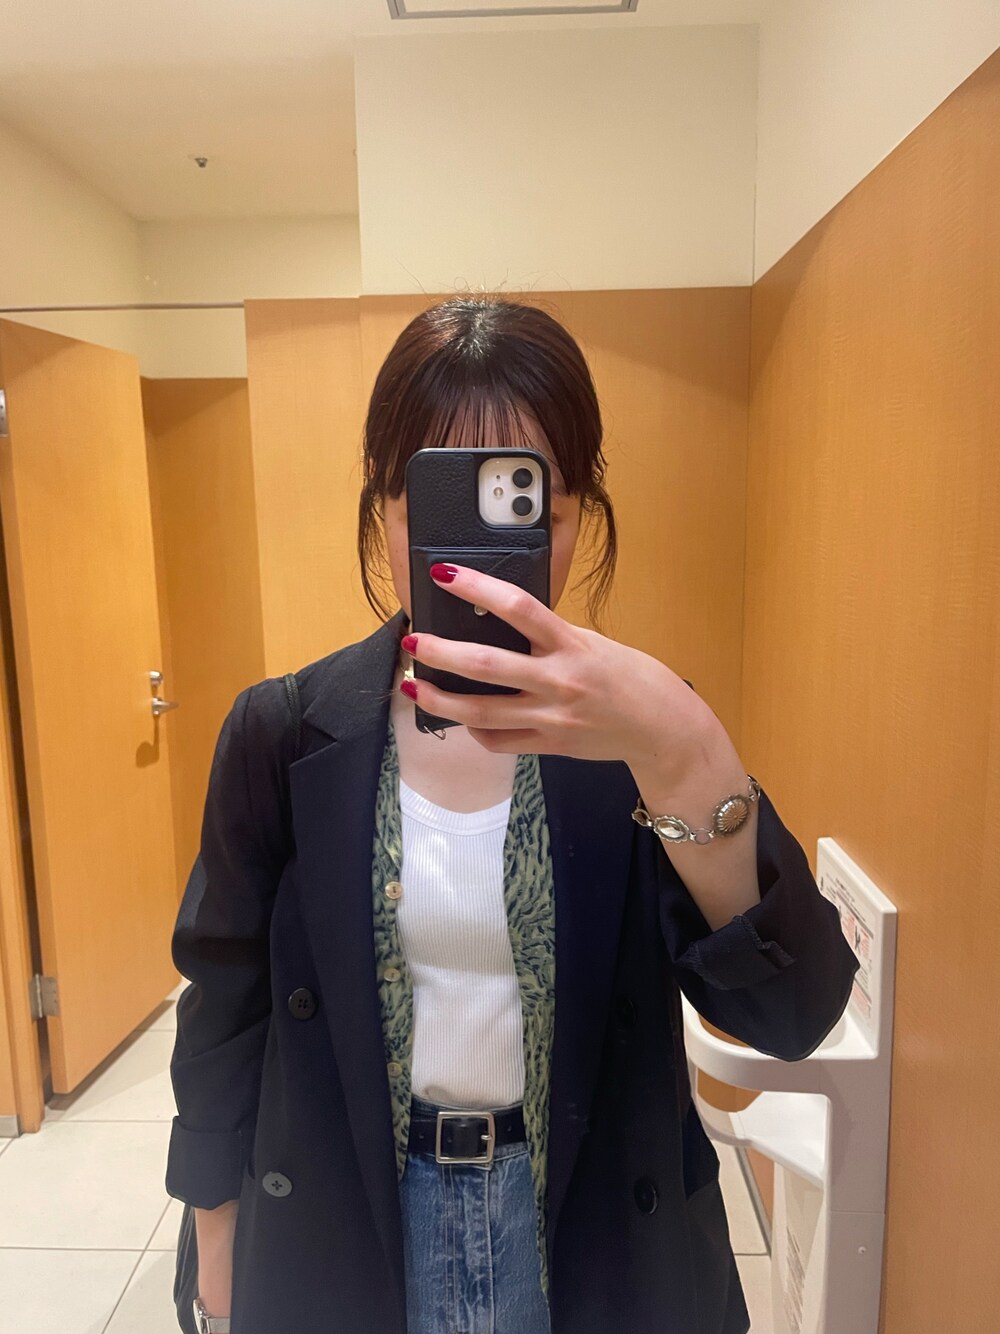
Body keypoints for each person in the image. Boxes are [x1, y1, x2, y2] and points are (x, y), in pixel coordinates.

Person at [166, 295, 860, 1334]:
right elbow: (224, 1006)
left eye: (527, 507)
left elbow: (791, 1017)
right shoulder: (282, 732)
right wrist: (216, 1237)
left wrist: (685, 749)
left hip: (590, 1238)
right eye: (436, 502)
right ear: (383, 510)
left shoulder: (639, 739)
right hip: (350, 1226)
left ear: (579, 517)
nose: (478, 557)